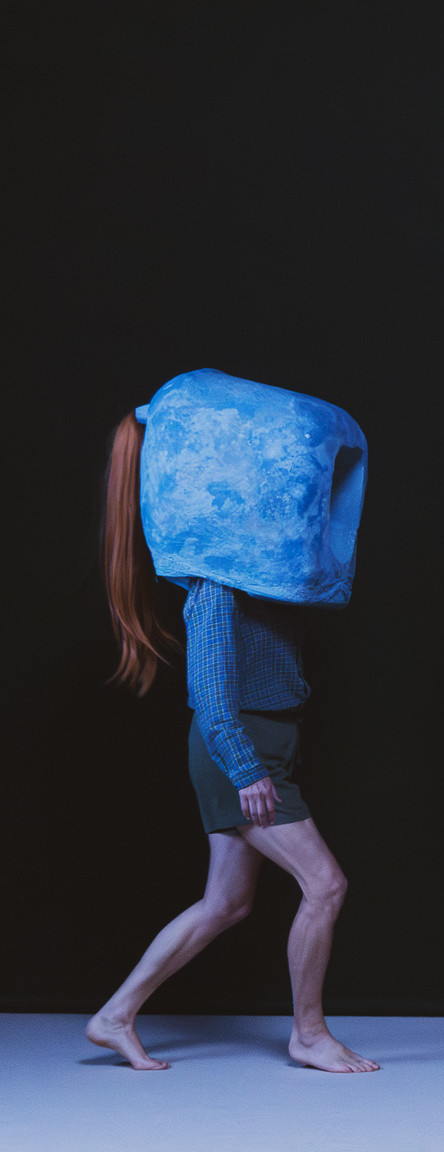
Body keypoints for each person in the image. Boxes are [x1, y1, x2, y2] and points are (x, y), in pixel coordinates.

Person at [84, 410, 377, 1074]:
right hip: (237, 750)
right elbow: (212, 697)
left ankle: (115, 1015)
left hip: (264, 745)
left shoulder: (263, 578)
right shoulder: (215, 587)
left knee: (226, 904)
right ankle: (308, 1035)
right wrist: (246, 769)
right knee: (326, 885)